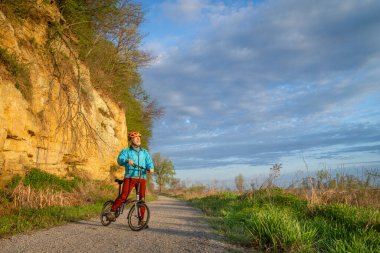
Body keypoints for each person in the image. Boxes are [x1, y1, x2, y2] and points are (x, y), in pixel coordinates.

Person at [106, 131, 154, 225]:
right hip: (130, 176)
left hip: (142, 177)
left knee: (142, 199)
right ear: (131, 140)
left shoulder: (144, 152)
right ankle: (112, 211)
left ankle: (141, 220)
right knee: (124, 196)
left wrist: (151, 168)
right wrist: (127, 160)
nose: (138, 139)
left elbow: (149, 162)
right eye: (136, 137)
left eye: (139, 137)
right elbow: (120, 160)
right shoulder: (126, 151)